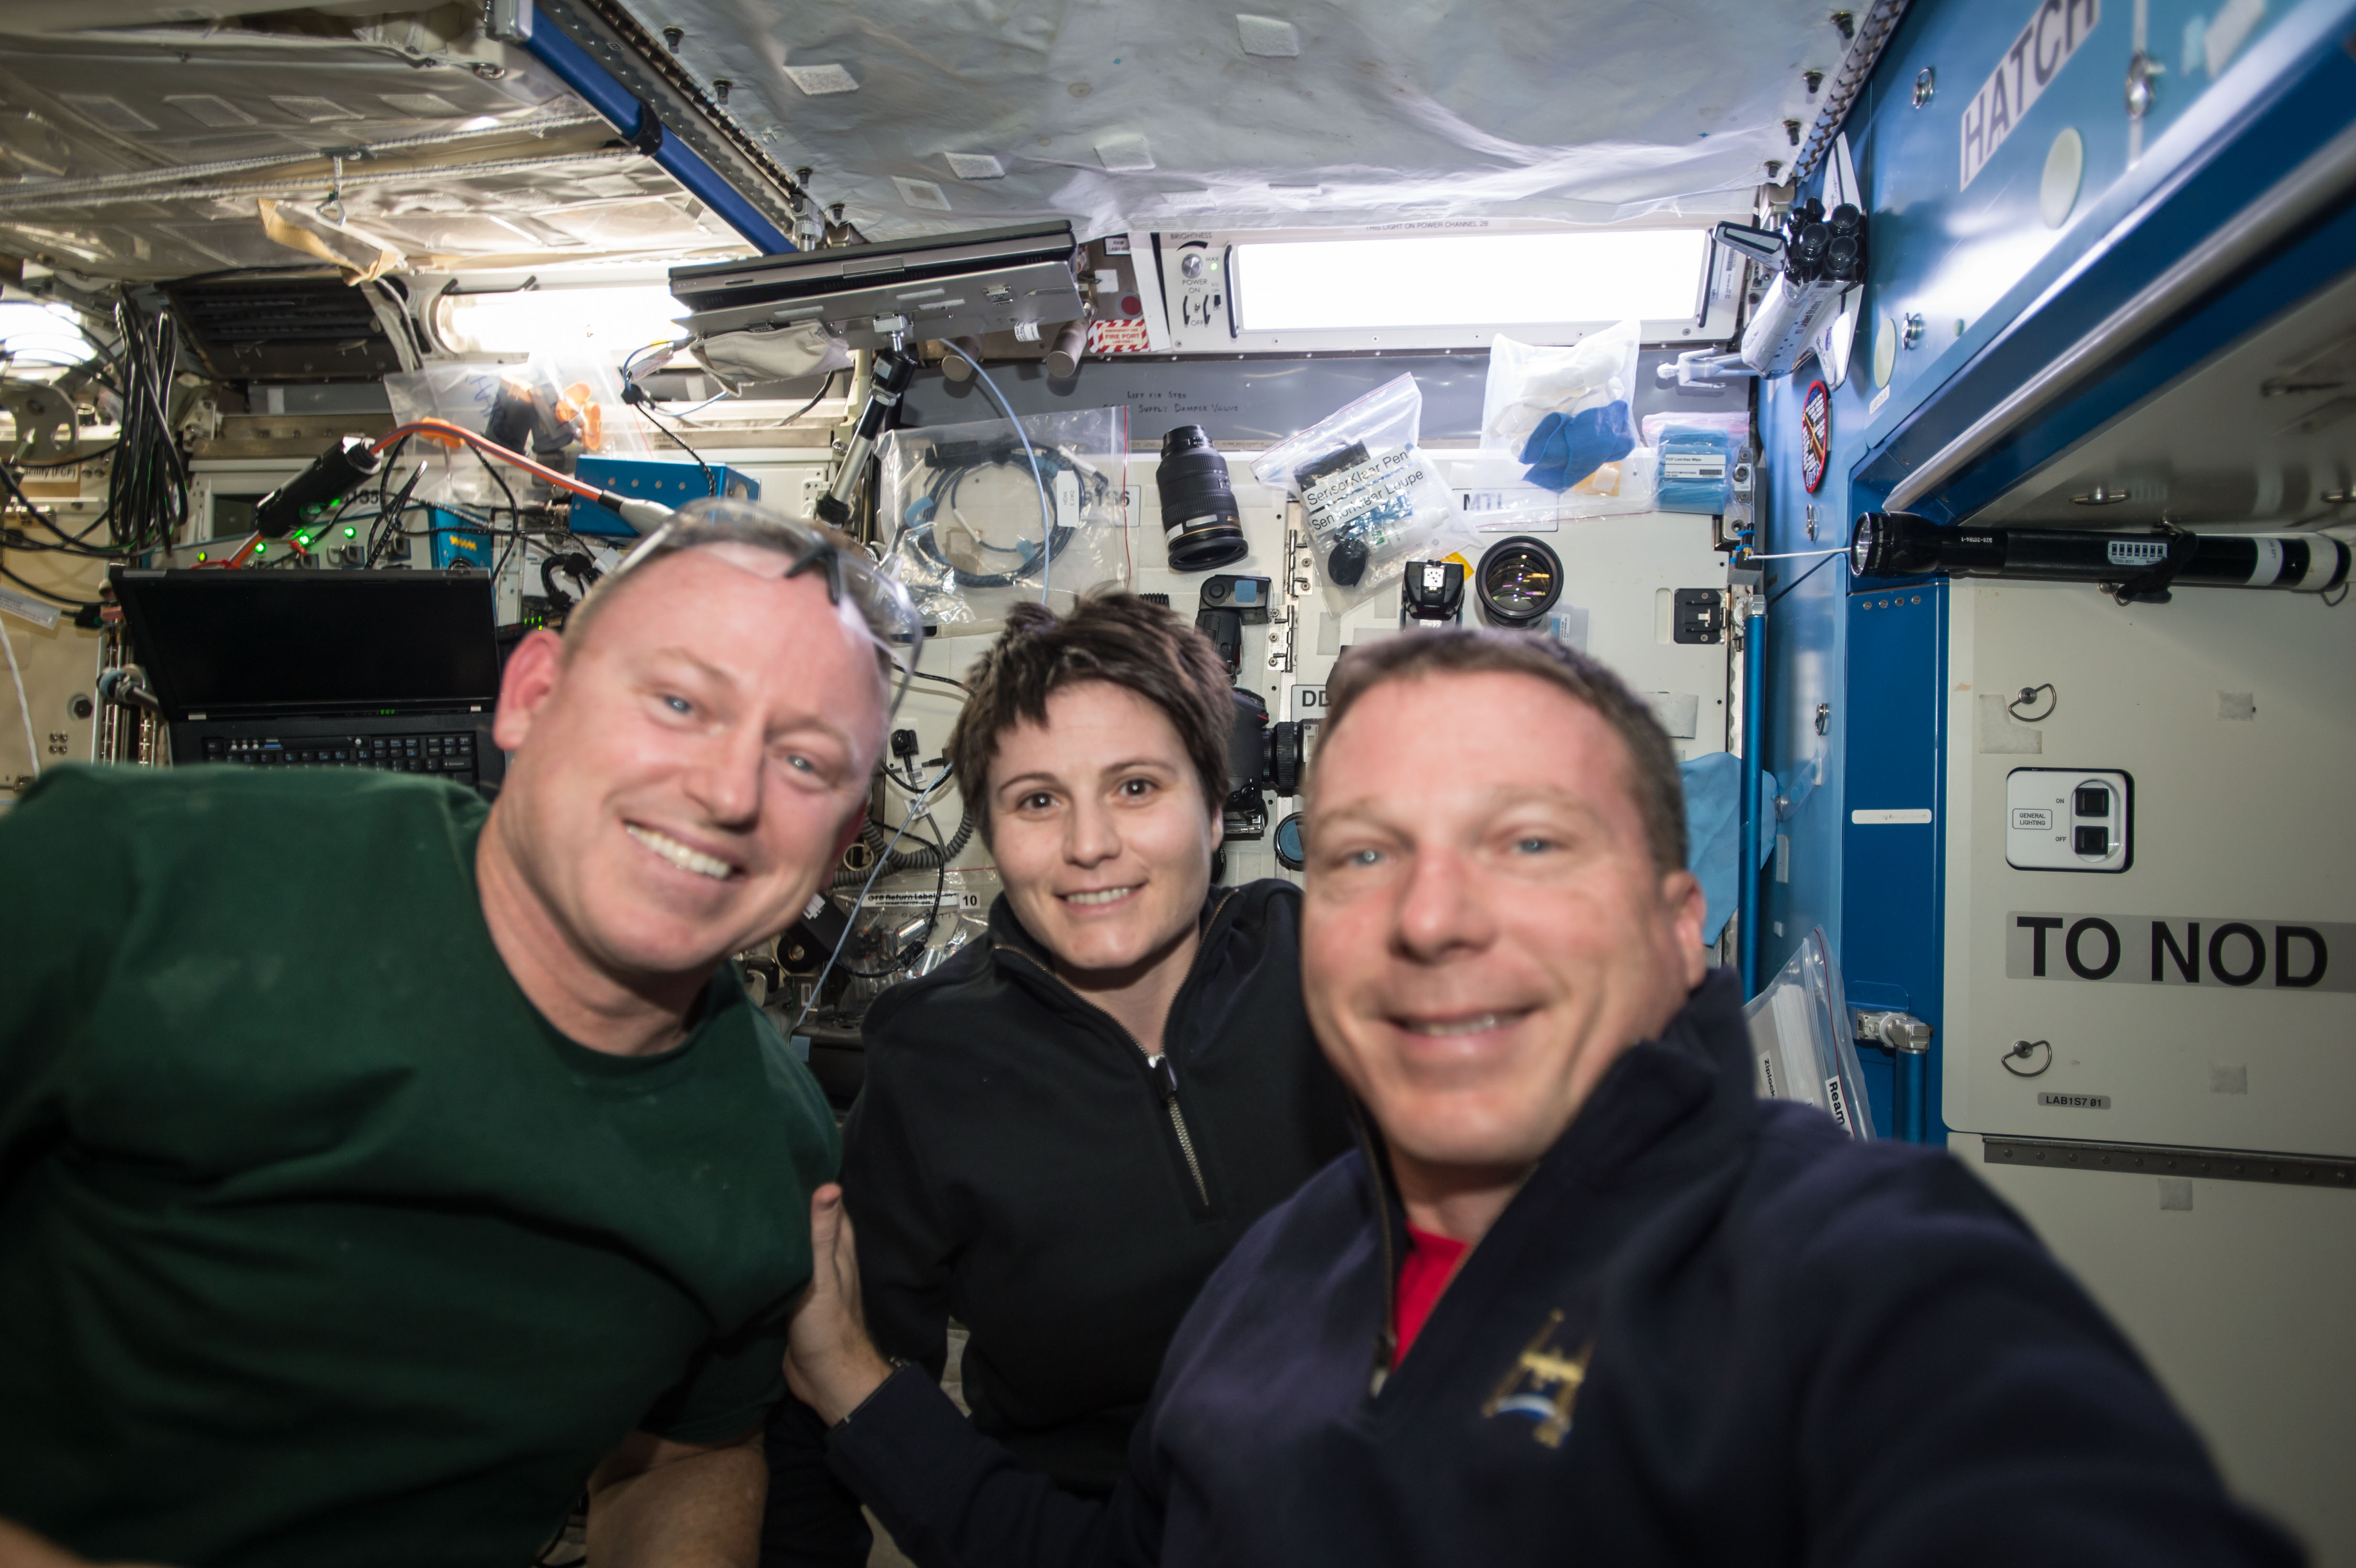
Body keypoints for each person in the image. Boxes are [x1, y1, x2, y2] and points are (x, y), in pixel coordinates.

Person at [779, 627, 2300, 1568]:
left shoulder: (1840, 1266)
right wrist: (858, 1394)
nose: (1439, 918)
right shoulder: (1269, 1304)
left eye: (1529, 845)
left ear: (1684, 929)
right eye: (1373, 854)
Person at [0, 500, 921, 1568]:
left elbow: (680, 1457)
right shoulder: (128, 878)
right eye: (678, 701)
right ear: (531, 696)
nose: (725, 791)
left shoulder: (775, 1144)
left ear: (841, 842)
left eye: (805, 762)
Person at [761, 594, 1352, 1567]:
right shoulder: (930, 1061)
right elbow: (826, 1394)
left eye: (1135, 786)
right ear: (992, 834)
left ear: (1215, 807)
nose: (1088, 844)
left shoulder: (1333, 968)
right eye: (1037, 800)